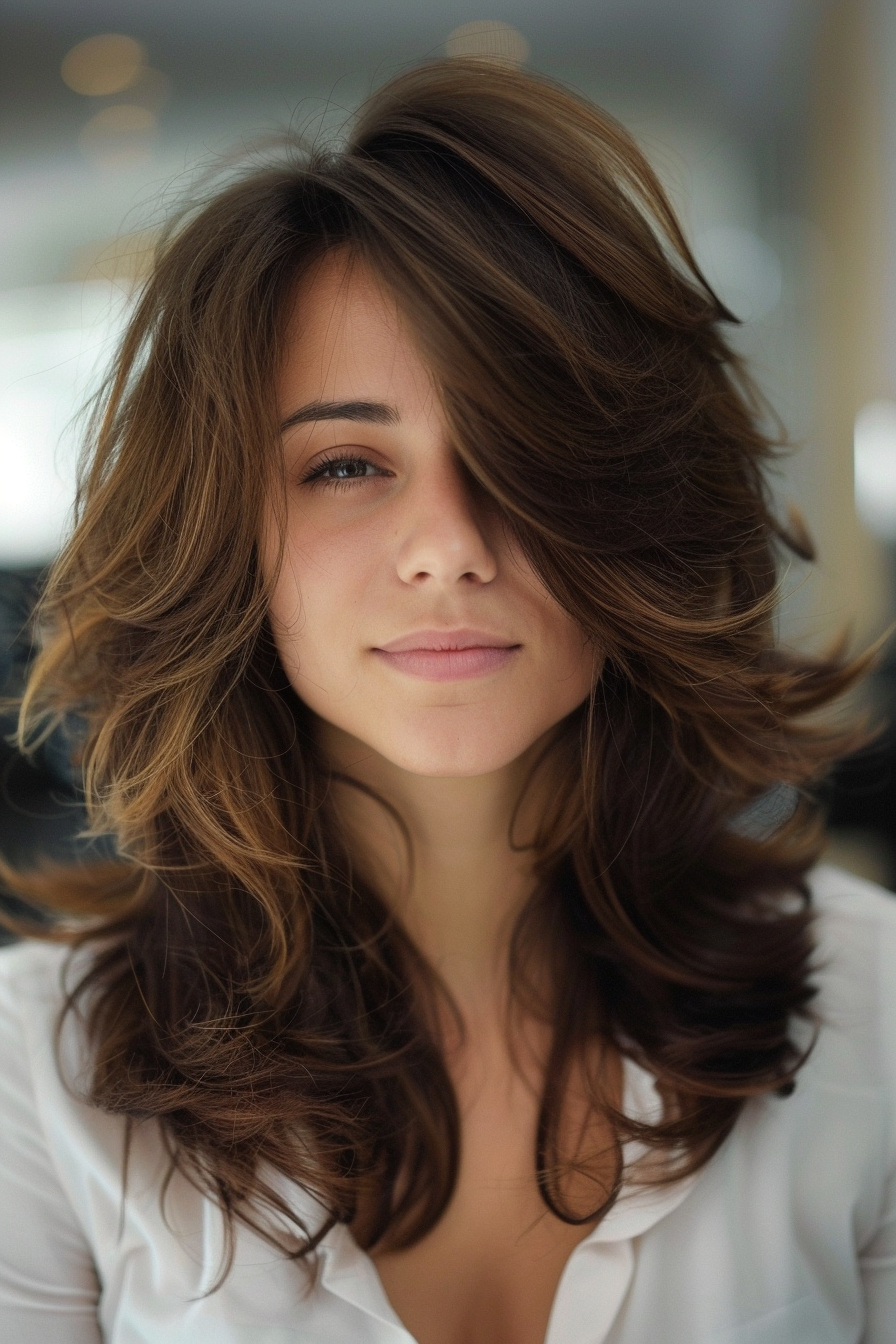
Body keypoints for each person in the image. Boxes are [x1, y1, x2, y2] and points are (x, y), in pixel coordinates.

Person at [0, 57, 893, 1344]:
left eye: (512, 456)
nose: (448, 545)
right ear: (225, 539)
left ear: (628, 509)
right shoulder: (41, 1081)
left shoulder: (866, 1005)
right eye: (347, 463)